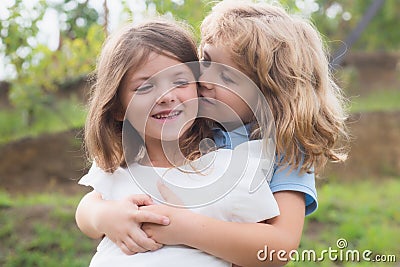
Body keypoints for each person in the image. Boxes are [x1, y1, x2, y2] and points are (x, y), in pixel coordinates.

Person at [76, 1, 349, 266]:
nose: (203, 79)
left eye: (227, 78)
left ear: (268, 94)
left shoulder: (286, 148)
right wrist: (103, 216)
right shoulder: (190, 121)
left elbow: (279, 247)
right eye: (205, 60)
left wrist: (182, 226)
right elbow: (103, 191)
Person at [78, 17, 280, 267]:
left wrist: (184, 227)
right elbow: (86, 212)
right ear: (118, 108)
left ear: (198, 90)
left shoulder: (226, 166)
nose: (167, 96)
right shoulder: (117, 167)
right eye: (145, 87)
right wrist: (103, 217)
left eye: (180, 82)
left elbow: (269, 252)